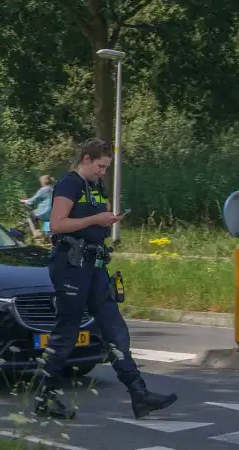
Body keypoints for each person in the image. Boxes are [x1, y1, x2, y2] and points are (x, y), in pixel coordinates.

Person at [34, 138, 177, 420]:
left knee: (115, 330)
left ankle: (140, 394)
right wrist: (94, 221)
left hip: (96, 265)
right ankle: (44, 398)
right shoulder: (68, 184)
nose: (103, 172)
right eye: (100, 166)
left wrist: (108, 219)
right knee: (66, 333)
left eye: (106, 168)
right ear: (86, 159)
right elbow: (57, 224)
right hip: (70, 265)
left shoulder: (97, 186)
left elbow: (99, 216)